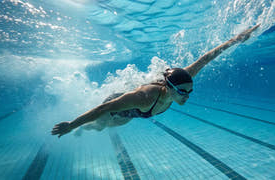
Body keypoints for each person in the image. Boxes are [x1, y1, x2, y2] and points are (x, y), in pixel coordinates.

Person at [51, 24, 260, 138]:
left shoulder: (182, 78)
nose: (187, 96)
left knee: (114, 125)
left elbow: (206, 57)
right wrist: (71, 124)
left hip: (133, 114)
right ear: (169, 88)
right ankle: (80, 129)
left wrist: (237, 39)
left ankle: (84, 128)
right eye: (183, 92)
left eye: (190, 91)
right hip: (119, 106)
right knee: (99, 125)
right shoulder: (143, 97)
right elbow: (103, 108)